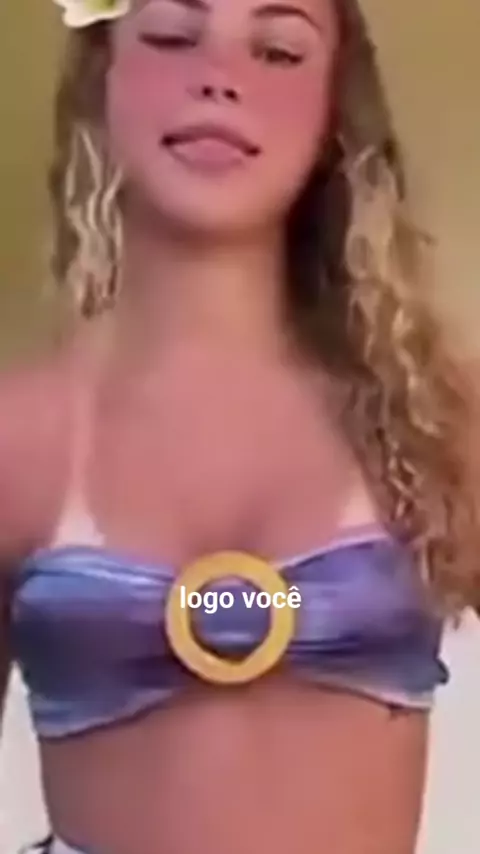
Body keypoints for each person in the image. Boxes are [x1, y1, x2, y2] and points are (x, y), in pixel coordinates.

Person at [0, 0, 479, 852]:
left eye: (279, 51)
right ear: (101, 79)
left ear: (336, 112)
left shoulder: (440, 416)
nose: (219, 79)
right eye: (171, 37)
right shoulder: (18, 439)